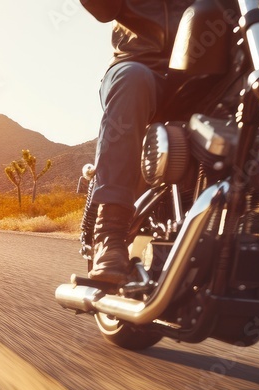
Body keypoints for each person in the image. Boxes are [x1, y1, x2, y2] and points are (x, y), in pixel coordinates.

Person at [81, 0, 193, 285]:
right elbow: (103, 9)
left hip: (203, 76)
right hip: (141, 66)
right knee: (133, 79)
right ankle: (110, 233)